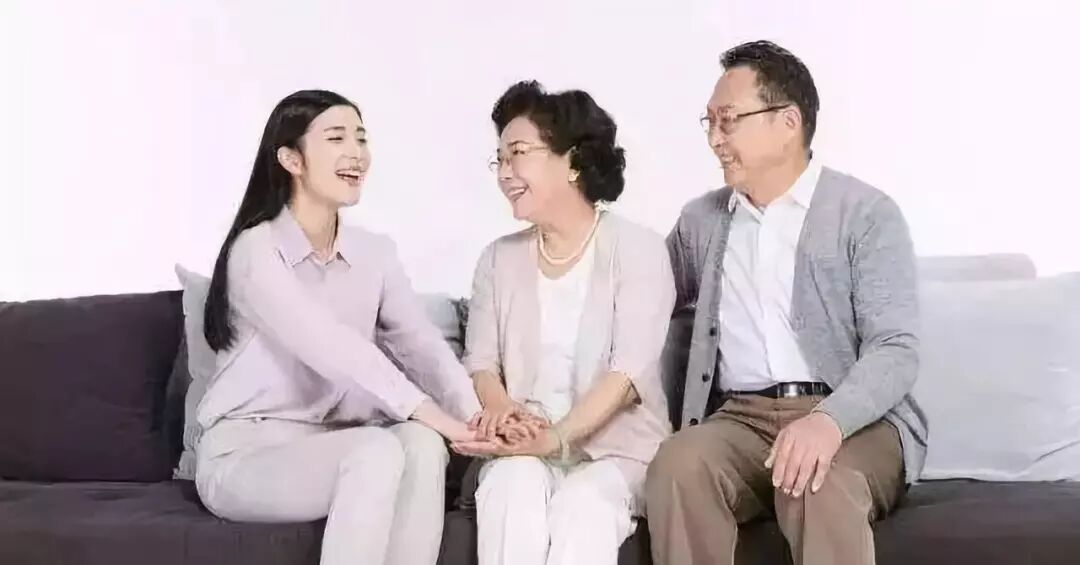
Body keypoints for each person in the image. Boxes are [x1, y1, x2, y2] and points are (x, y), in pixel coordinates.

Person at [645, 41, 928, 565]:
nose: (714, 139)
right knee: (678, 465)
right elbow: (640, 298)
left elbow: (895, 348)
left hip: (852, 419)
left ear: (788, 122)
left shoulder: (865, 214)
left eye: (728, 120)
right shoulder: (701, 222)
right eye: (709, 122)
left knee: (816, 480)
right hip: (741, 420)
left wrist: (828, 421)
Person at [194, 89, 481, 565]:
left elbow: (421, 346)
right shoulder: (256, 251)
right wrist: (437, 415)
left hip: (336, 442)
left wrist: (476, 421)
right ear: (292, 159)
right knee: (377, 449)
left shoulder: (375, 252)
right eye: (336, 138)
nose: (356, 153)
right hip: (247, 454)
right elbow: (335, 350)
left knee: (422, 444)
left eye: (361, 138)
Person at [452, 80, 674, 565]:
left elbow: (628, 375)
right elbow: (480, 362)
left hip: (616, 453)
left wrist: (555, 437)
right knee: (510, 486)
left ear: (572, 161)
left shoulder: (638, 249)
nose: (504, 173)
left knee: (582, 507)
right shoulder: (498, 259)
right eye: (499, 160)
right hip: (522, 445)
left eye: (517, 154)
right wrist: (505, 413)